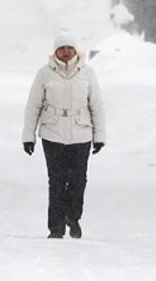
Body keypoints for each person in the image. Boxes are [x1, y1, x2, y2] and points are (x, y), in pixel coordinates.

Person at [23, 29, 105, 239]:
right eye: (62, 49)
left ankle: (73, 216)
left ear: (76, 51)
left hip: (81, 134)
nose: (67, 52)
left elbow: (96, 106)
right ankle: (56, 227)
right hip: (53, 134)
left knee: (78, 180)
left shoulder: (87, 73)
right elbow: (33, 106)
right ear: (55, 52)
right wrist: (28, 136)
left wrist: (99, 136)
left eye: (70, 48)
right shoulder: (44, 73)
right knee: (57, 180)